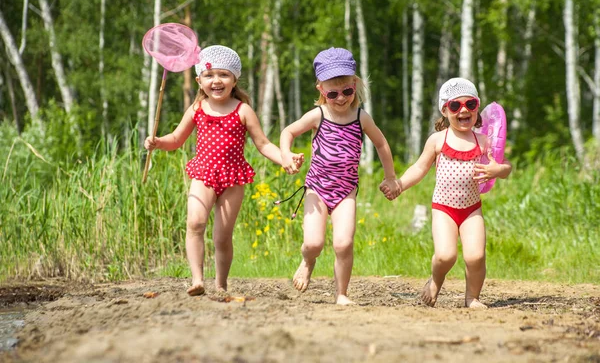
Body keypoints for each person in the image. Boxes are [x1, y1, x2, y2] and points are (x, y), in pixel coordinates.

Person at [144, 45, 303, 296]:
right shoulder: (197, 108)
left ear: (234, 79)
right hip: (204, 175)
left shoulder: (243, 110)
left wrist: (285, 158)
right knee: (195, 222)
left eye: (223, 75)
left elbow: (263, 144)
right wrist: (157, 142)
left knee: (221, 236)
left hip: (232, 178)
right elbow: (176, 139)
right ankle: (197, 279)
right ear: (199, 80)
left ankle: (221, 284)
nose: (216, 81)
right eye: (209, 75)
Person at [279, 47, 401, 305]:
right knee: (314, 243)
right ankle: (307, 261)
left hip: (346, 191)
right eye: (332, 93)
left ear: (355, 85)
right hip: (317, 189)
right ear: (321, 90)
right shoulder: (319, 115)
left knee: (343, 244)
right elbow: (288, 132)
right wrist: (286, 155)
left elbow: (381, 144)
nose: (341, 98)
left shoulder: (361, 117)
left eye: (347, 91)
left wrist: (390, 177)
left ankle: (341, 294)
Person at [381, 77, 512, 309]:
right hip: (444, 208)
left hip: (472, 209)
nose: (463, 110)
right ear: (445, 110)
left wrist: (497, 170)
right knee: (445, 256)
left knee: (476, 257)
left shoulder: (482, 141)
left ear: (477, 107)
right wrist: (399, 185)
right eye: (455, 106)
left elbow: (506, 167)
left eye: (470, 105)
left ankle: (472, 297)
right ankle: (435, 282)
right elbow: (420, 168)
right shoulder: (437, 140)